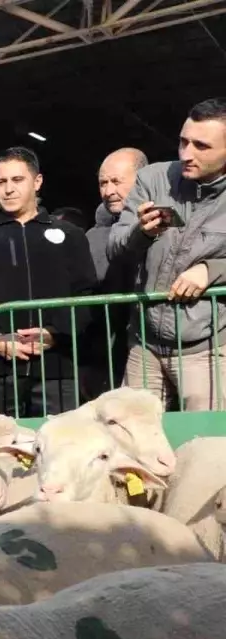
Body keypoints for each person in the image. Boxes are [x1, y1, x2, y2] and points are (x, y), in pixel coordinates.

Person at [0, 146, 98, 417]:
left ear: (37, 181)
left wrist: (56, 333)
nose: (8, 189)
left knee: (61, 447)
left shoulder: (69, 234)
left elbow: (86, 294)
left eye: (17, 180)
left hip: (57, 368)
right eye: (0, 181)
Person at [110, 98, 226, 410]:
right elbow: (114, 246)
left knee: (206, 445)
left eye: (202, 146)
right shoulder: (153, 179)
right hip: (143, 347)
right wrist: (141, 232)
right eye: (183, 141)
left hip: (207, 350)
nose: (187, 154)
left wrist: (212, 270)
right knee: (130, 443)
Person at [82, 147, 149, 398]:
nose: (109, 191)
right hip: (105, 351)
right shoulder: (92, 237)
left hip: (160, 344)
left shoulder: (170, 224)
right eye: (103, 183)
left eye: (116, 182)